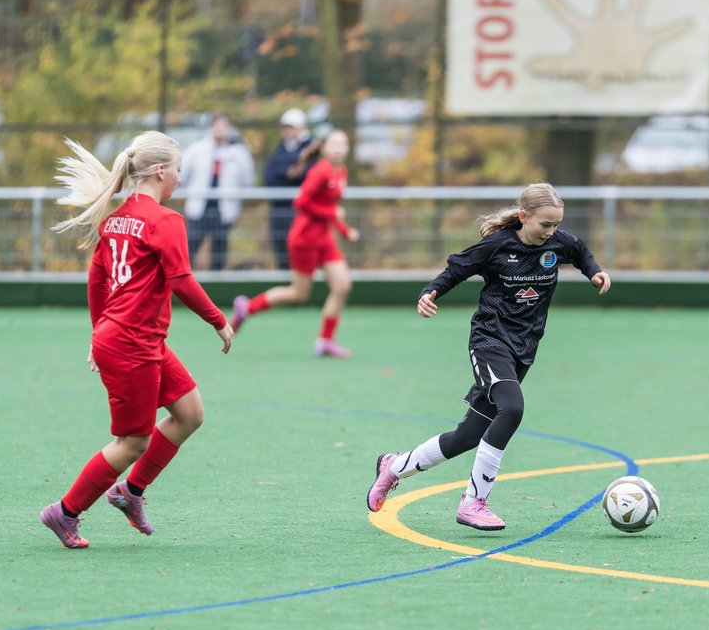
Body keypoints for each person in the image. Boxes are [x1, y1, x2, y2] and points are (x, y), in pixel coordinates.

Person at [365, 183, 611, 531]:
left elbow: (580, 250)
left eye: (556, 225)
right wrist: (428, 293)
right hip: (490, 341)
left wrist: (594, 271)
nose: (551, 232)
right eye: (545, 224)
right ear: (524, 217)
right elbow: (457, 268)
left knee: (468, 435)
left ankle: (394, 467)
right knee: (512, 409)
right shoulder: (498, 246)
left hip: (524, 349)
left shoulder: (558, 243)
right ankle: (473, 501)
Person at [40, 132, 234, 549]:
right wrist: (218, 320)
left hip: (135, 339)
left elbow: (96, 280)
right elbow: (182, 280)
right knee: (132, 442)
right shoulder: (166, 221)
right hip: (131, 344)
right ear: (160, 171)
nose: (180, 178)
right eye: (179, 169)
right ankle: (65, 512)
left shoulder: (116, 219)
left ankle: (131, 492)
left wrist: (97, 332)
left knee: (190, 413)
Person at [230, 130, 359, 358]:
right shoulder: (320, 171)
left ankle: (325, 341)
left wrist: (344, 230)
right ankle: (247, 308)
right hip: (305, 238)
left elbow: (331, 212)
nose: (339, 147)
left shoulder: (342, 172)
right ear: (324, 147)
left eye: (344, 143)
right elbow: (301, 201)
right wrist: (334, 215)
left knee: (342, 285)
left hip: (324, 239)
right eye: (334, 143)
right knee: (299, 293)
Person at [179, 112, 256, 271]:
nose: (220, 130)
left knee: (220, 249)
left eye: (224, 126)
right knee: (190, 246)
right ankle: (184, 279)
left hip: (224, 209)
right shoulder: (197, 149)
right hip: (199, 208)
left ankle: (216, 281)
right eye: (216, 125)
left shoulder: (239, 152)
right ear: (210, 127)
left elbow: (248, 180)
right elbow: (181, 175)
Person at [263, 107, 313, 270]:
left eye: (293, 127)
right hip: (279, 210)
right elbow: (269, 174)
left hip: (300, 211)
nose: (289, 131)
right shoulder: (280, 148)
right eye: (287, 127)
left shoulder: (311, 149)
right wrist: (288, 172)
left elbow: (303, 175)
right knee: (281, 252)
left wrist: (286, 173)